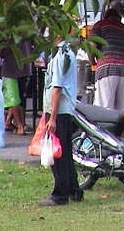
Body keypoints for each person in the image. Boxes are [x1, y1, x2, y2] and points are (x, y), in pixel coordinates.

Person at [38, 34, 83, 206]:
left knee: (59, 155)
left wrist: (53, 118)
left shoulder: (60, 56)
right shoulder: (65, 53)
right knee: (65, 151)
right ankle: (74, 190)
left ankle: (60, 195)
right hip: (62, 110)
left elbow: (57, 88)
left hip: (59, 111)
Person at [90, 0, 124, 111]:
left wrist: (93, 63)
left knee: (104, 111)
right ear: (120, 18)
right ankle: (123, 129)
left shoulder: (100, 25)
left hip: (107, 69)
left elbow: (91, 47)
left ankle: (105, 129)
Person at [1, 40, 32, 135]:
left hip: (11, 67)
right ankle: (18, 124)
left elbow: (0, 52)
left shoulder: (7, 32)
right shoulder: (26, 29)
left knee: (14, 98)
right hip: (23, 65)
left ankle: (18, 125)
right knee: (18, 97)